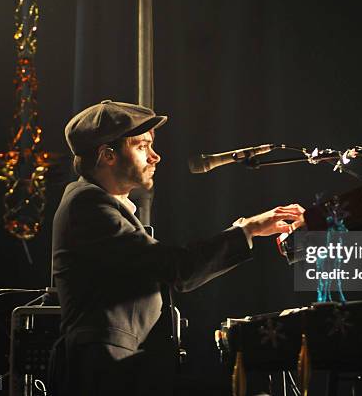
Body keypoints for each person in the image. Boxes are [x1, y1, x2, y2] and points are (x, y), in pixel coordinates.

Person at [48, 100, 304, 395]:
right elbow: (178, 269)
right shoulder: (88, 205)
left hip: (120, 367)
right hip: (104, 372)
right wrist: (249, 229)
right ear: (108, 156)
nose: (155, 157)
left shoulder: (100, 205)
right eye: (142, 146)